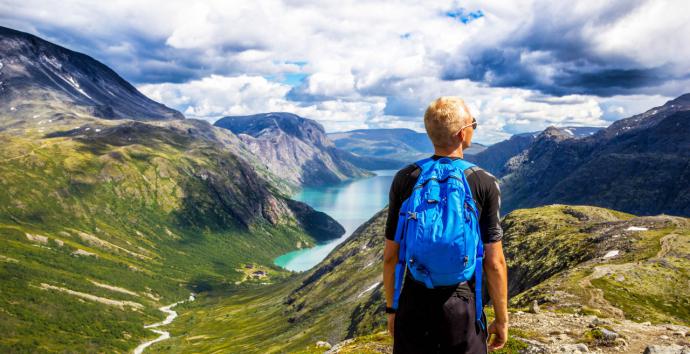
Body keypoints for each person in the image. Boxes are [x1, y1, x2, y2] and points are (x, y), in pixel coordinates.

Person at [383, 97, 508, 353]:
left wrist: (393, 310)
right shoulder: (483, 181)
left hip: (414, 300)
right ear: (463, 133)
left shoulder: (406, 178)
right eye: (474, 123)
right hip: (461, 305)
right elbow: (494, 262)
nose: (474, 127)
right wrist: (502, 319)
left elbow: (391, 257)